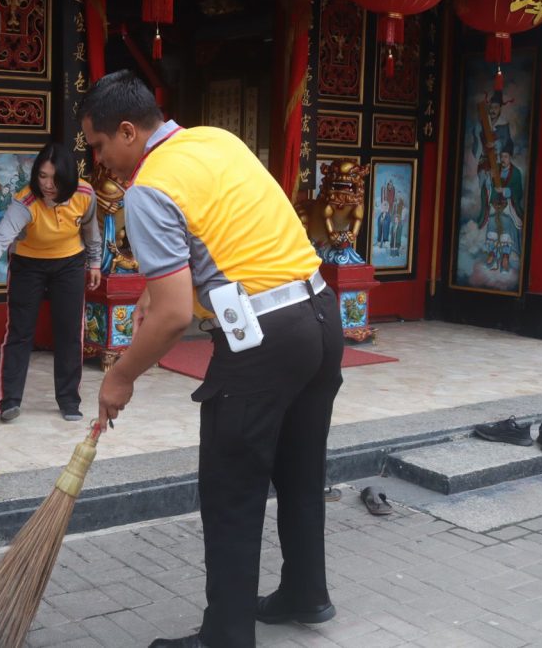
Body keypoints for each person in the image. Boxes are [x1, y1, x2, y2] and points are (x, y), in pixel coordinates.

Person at [81, 70, 343, 648]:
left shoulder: (147, 189)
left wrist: (120, 376)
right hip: (321, 315)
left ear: (128, 131)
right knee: (300, 472)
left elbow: (174, 317)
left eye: (100, 146)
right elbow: (226, 232)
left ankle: (225, 636)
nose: (101, 164)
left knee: (230, 490)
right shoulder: (214, 139)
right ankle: (306, 593)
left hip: (263, 341)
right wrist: (156, 286)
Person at [0, 142, 102, 422]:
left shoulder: (85, 194)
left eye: (55, 178)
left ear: (69, 178)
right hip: (28, 265)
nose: (48, 184)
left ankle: (69, 400)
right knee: (19, 332)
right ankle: (9, 401)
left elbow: (90, 229)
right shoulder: (26, 200)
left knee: (69, 331)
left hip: (70, 263)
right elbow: (2, 238)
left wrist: (95, 262)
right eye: (42, 176)